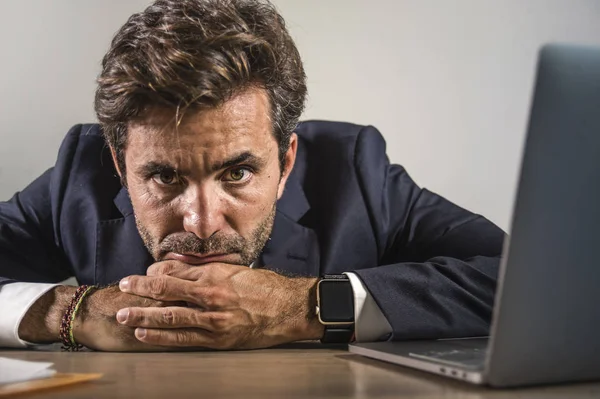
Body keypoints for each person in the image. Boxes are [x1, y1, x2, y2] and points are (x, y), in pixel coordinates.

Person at [0, 0, 504, 351]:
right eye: (163, 177)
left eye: (237, 172)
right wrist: (71, 313)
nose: (200, 224)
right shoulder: (78, 178)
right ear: (118, 165)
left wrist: (300, 308)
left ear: (286, 163)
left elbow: (523, 279)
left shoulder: (355, 174)